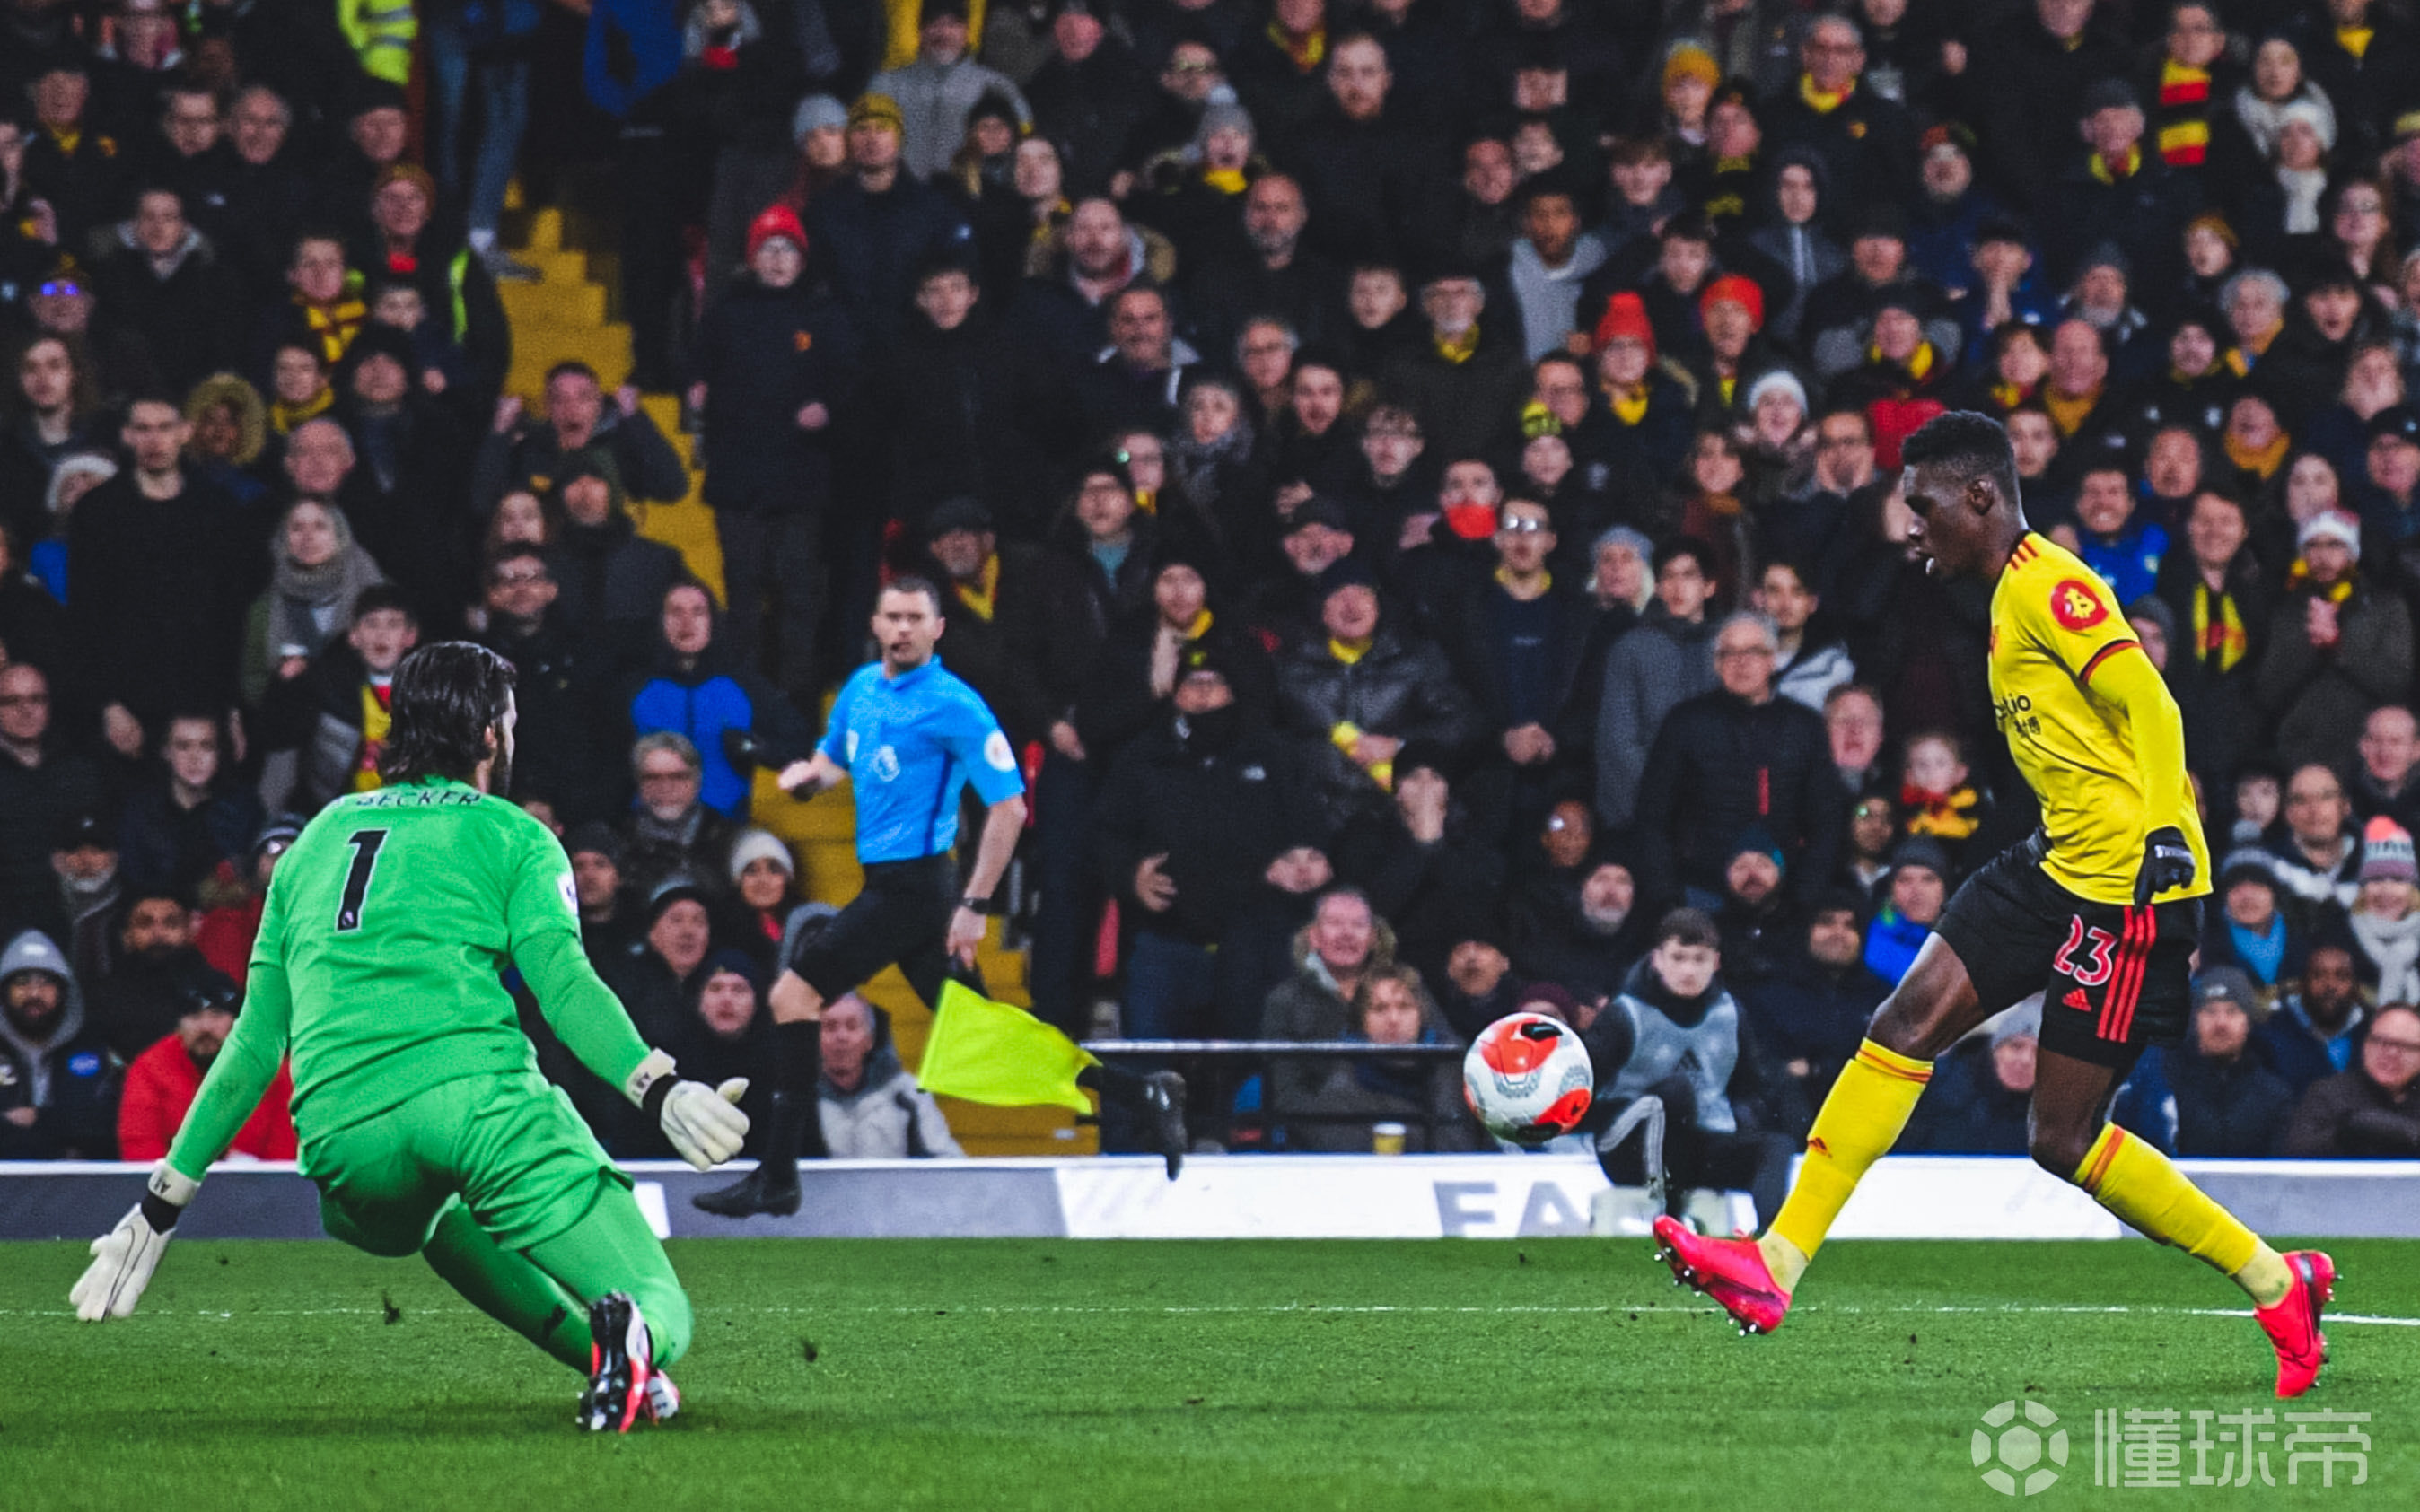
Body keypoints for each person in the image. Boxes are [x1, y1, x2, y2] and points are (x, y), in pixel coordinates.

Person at [1655, 411, 2333, 1400]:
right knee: (1902, 1023)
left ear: (1978, 495)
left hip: (2128, 889)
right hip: (2057, 861)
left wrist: (2161, 828)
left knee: (2060, 1139)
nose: (1912, 525)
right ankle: (1775, 1261)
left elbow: (2152, 702)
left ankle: (2277, 1281)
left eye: (1922, 504)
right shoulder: (2007, 595)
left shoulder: (2052, 586)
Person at [67, 642, 752, 1436]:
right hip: (478, 1106)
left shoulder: (315, 839)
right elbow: (565, 987)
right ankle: (639, 1337)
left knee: (438, 1213)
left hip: (346, 1142)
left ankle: (613, 1365)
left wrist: (161, 1203)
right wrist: (657, 1085)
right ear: (490, 733)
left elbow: (254, 1041)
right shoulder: (514, 835)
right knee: (656, 1295)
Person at [693, 579, 1182, 1219]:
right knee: (982, 1032)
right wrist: (807, 777)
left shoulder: (956, 705)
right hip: (886, 882)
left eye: (915, 618)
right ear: (876, 623)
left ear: (937, 628)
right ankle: (1142, 1093)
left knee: (792, 995)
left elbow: (1010, 807)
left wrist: (974, 906)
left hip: (918, 887)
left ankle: (779, 1176)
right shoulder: (861, 688)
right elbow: (834, 759)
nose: (902, 629)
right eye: (893, 617)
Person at [115, 972, 295, 1162]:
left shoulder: (270, 1068)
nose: (206, 1027)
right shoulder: (150, 1068)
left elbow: (287, 1153)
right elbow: (140, 1148)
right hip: (172, 1177)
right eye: (194, 1016)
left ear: (237, 1022)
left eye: (217, 1015)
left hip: (253, 1178)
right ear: (178, 1025)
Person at [0, 929, 118, 1159]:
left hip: (82, 1177)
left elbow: (104, 1127)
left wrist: (40, 1118)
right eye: (22, 983)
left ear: (65, 992)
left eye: (46, 983)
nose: (34, 993)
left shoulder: (94, 1048)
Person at [814, 991, 964, 1158]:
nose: (842, 1037)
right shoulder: (799, 1099)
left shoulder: (908, 1094)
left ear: (869, 1040)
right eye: (830, 1027)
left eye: (852, 1026)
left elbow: (946, 1160)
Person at [2279, 1001, 2420, 1157]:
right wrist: (2344, 1134)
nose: (2391, 1053)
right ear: (2365, 1044)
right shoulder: (2328, 1094)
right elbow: (2296, 1153)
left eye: (2405, 1046)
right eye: (2381, 1042)